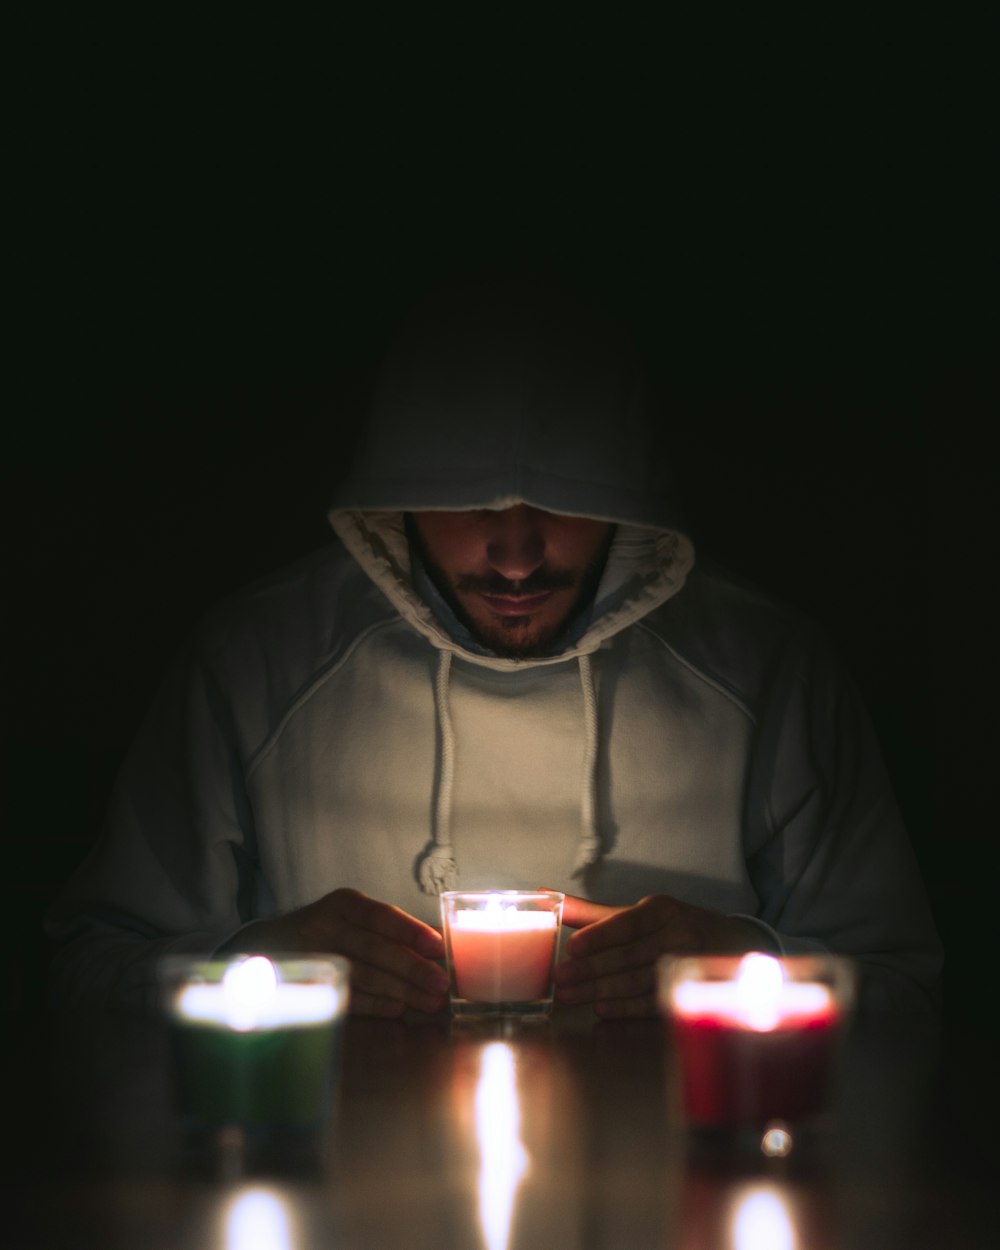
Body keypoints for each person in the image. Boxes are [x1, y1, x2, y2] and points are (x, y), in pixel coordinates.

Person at [45, 273, 942, 1021]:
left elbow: (908, 984)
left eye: (561, 504)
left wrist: (746, 965)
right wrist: (264, 961)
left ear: (630, 501)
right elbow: (82, 973)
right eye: (468, 504)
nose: (516, 556)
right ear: (393, 500)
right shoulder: (256, 662)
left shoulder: (768, 668)